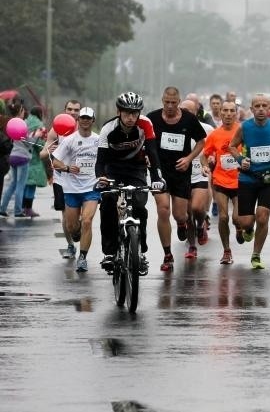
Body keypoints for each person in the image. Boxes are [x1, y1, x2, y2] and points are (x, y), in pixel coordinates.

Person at [95, 92, 165, 275]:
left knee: (140, 206)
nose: (130, 118)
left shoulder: (145, 124)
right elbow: (100, 161)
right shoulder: (108, 128)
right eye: (126, 113)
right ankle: (110, 253)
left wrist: (157, 178)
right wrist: (101, 177)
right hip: (113, 169)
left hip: (136, 170)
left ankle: (140, 253)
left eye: (134, 113)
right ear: (119, 112)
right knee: (108, 204)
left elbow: (153, 153)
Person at [228, 93, 270, 270]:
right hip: (247, 178)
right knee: (246, 222)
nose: (261, 109)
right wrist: (241, 160)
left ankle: (256, 255)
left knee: (262, 217)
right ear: (251, 109)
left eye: (265, 106)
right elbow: (232, 146)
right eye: (257, 106)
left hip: (268, 177)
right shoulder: (244, 127)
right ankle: (248, 229)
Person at [147, 87, 208, 272]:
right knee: (163, 210)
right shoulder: (152, 118)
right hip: (159, 171)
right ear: (162, 100)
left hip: (181, 172)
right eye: (167, 102)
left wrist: (189, 159)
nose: (170, 106)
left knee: (179, 214)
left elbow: (201, 141)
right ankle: (167, 255)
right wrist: (146, 156)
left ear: (179, 101)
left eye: (174, 103)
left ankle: (182, 223)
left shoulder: (189, 119)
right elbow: (143, 140)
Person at [51, 107, 101, 272]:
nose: (85, 121)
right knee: (73, 228)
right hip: (71, 189)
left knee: (87, 221)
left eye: (88, 118)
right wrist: (66, 168)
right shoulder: (69, 140)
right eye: (82, 118)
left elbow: (107, 160)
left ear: (93, 120)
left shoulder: (99, 140)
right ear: (78, 120)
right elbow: (55, 161)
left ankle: (82, 257)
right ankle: (76, 232)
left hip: (91, 188)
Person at [41, 99, 82, 257]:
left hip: (81, 178)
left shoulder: (84, 127)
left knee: (82, 217)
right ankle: (70, 245)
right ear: (65, 110)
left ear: (80, 112)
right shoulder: (57, 129)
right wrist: (49, 149)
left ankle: (79, 235)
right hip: (61, 177)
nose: (72, 112)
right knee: (65, 215)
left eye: (76, 110)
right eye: (70, 109)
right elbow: (42, 153)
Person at [203, 100, 241, 264]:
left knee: (237, 218)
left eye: (231, 110)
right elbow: (204, 154)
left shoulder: (242, 131)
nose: (228, 114)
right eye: (225, 110)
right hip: (220, 181)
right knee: (223, 217)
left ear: (236, 113)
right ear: (221, 113)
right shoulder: (215, 134)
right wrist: (205, 167)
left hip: (240, 181)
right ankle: (227, 251)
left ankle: (239, 228)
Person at [179, 99, 214, 259]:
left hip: (200, 173)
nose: (185, 114)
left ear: (196, 113)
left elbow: (214, 149)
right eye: (183, 110)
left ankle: (201, 225)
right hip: (181, 175)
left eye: (189, 111)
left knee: (198, 209)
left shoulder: (207, 129)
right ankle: (192, 246)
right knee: (186, 214)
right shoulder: (174, 127)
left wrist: (212, 160)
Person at [0, 104, 37, 219]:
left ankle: (2, 208)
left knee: (13, 184)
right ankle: (17, 210)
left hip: (12, 156)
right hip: (22, 157)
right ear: (20, 111)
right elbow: (28, 142)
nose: (24, 112)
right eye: (23, 110)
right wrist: (37, 136)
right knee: (21, 184)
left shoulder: (9, 123)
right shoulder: (21, 124)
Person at [22, 105, 47, 218]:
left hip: (22, 154)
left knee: (24, 183)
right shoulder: (39, 125)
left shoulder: (24, 122)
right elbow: (40, 143)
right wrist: (43, 149)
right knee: (31, 184)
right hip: (34, 157)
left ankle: (22, 207)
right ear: (40, 114)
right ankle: (28, 209)